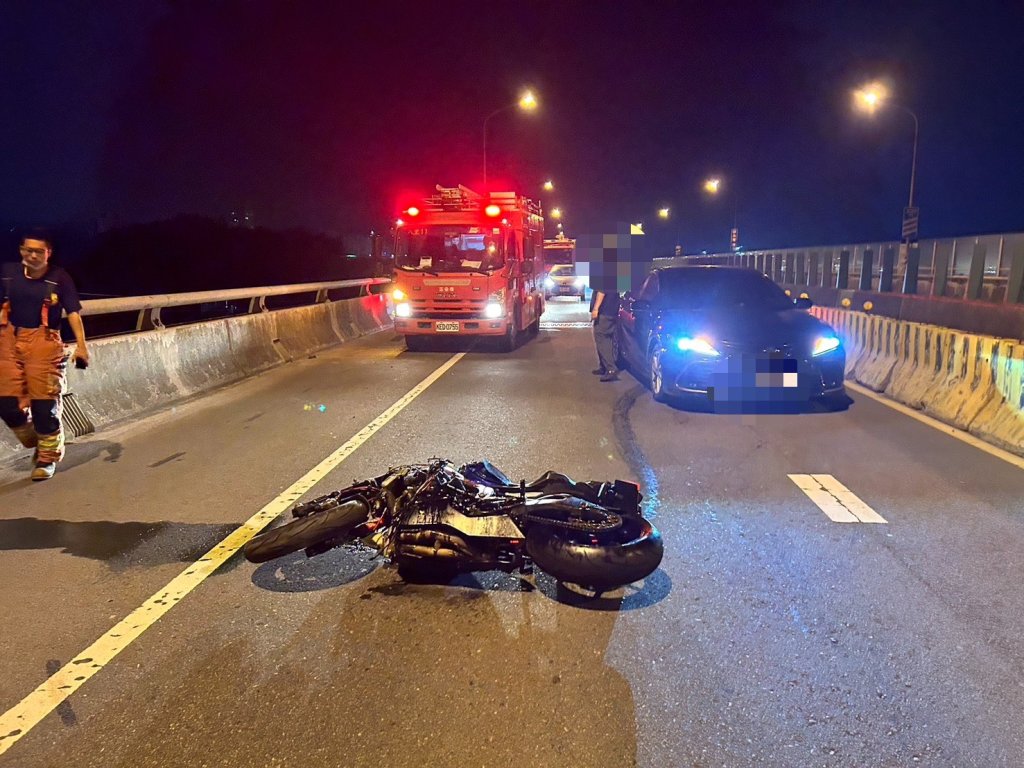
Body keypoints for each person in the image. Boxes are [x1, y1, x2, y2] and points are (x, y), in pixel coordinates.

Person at [0, 233, 89, 480]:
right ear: (21, 250)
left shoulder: (59, 278)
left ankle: (46, 458)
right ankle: (34, 437)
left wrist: (81, 346)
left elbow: (73, 312)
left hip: (44, 346)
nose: (32, 255)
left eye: (39, 251)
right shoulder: (8, 273)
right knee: (6, 403)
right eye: (28, 250)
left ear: (48, 253)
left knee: (44, 406)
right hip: (9, 342)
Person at [590, 286, 620, 382]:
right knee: (608, 338)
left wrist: (596, 309)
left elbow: (601, 291)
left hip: (604, 311)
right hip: (612, 310)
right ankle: (603, 366)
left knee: (601, 338)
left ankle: (611, 369)